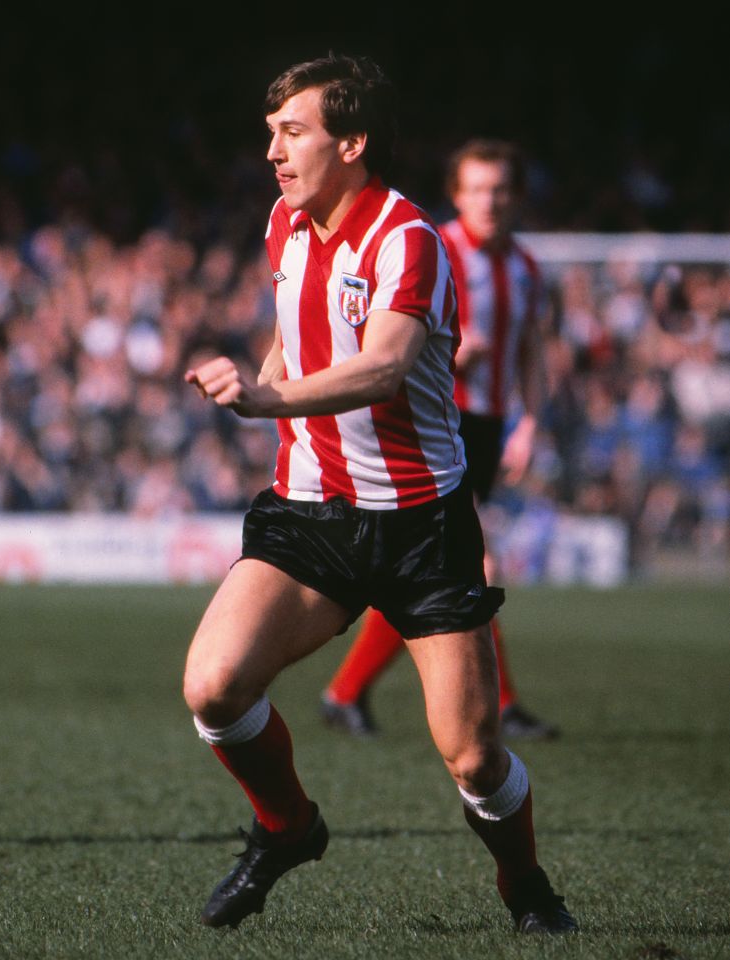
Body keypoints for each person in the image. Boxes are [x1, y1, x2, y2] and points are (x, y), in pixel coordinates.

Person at [182, 54, 577, 936]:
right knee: (213, 687)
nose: (275, 152)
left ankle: (525, 885)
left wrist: (268, 396)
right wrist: (261, 378)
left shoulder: (411, 240)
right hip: (308, 515)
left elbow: (387, 365)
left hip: (418, 526)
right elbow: (292, 333)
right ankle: (288, 829)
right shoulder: (284, 225)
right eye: (271, 134)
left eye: (294, 132)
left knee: (473, 758)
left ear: (352, 141)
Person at [321, 139, 559, 740]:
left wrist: (528, 422)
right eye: (477, 189)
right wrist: (452, 351)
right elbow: (380, 338)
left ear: (517, 197)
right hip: (434, 420)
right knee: (469, 564)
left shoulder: (526, 267)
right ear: (457, 195)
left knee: (432, 572)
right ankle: (500, 706)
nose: (490, 200)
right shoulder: (435, 245)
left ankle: (345, 693)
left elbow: (531, 347)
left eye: (500, 189)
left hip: (487, 426)